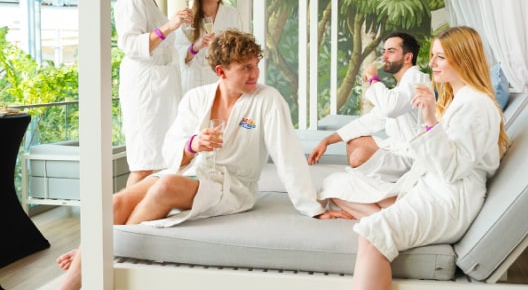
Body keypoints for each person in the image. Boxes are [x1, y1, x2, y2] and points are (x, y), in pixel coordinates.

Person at [55, 29, 328, 290]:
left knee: (165, 186)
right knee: (114, 202)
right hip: (193, 173)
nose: (254, 73)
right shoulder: (196, 98)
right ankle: (79, 270)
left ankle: (97, 252)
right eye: (245, 67)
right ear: (221, 71)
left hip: (232, 186)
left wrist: (312, 206)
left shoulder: (267, 100)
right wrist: (193, 143)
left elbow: (288, 155)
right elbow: (170, 149)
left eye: (255, 65)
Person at [319, 26, 510, 290]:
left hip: (449, 199)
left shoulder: (476, 105)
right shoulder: (461, 100)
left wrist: (430, 120)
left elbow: (452, 170)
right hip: (432, 186)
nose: (431, 64)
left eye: (440, 57)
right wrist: (330, 139)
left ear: (463, 58)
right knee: (336, 186)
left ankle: (380, 216)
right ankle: (385, 208)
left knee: (371, 234)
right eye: (433, 56)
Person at [114, 0, 189, 187]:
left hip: (160, 89)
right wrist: (170, 25)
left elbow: (167, 46)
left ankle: (145, 213)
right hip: (144, 89)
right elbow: (131, 44)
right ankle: (123, 220)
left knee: (158, 157)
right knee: (143, 161)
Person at [308, 32, 429, 183]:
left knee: (359, 156)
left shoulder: (416, 79)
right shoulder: (400, 88)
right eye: (384, 51)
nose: (384, 56)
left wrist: (374, 79)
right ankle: (368, 180)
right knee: (354, 141)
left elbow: (390, 108)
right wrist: (327, 141)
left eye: (391, 51)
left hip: (413, 156)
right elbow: (369, 121)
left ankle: (371, 184)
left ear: (408, 57)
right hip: (397, 149)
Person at [176, 0, 243, 94]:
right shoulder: (187, 17)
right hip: (193, 84)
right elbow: (177, 56)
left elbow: (239, 52)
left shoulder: (232, 15)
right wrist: (196, 46)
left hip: (220, 81)